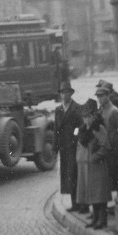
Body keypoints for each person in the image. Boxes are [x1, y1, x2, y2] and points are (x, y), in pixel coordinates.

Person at [75, 99, 111, 229]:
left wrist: (95, 157)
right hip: (86, 166)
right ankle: (95, 218)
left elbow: (105, 146)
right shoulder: (83, 130)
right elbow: (80, 145)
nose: (86, 120)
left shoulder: (98, 128)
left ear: (92, 117)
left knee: (99, 194)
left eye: (88, 117)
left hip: (97, 166)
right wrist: (80, 158)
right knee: (92, 194)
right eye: (84, 117)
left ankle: (102, 219)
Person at [53, 82, 83, 212]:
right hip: (63, 148)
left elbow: (81, 127)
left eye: (66, 92)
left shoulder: (77, 108)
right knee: (67, 175)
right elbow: (56, 129)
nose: (64, 95)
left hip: (74, 146)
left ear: (71, 94)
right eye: (62, 93)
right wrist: (55, 147)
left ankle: (79, 203)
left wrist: (76, 137)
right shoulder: (58, 110)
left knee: (74, 174)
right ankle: (74, 203)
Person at [95, 85, 118, 194]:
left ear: (108, 96)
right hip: (104, 148)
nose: (99, 99)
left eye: (101, 96)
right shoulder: (101, 110)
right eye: (98, 96)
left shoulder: (114, 111)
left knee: (114, 177)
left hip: (113, 150)